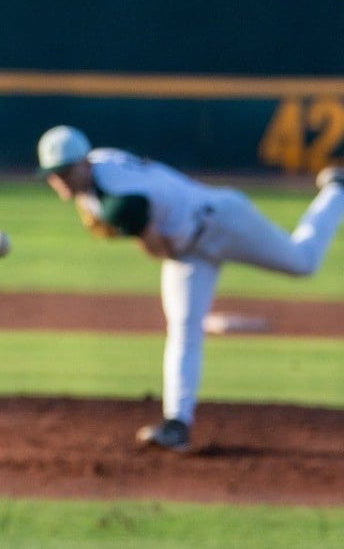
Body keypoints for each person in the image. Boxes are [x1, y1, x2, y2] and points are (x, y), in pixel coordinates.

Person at [36, 125, 344, 452]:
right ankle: (177, 423)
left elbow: (160, 249)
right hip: (190, 250)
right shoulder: (99, 166)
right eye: (54, 174)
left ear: (84, 163)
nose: (60, 180)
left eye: (65, 172)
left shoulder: (120, 202)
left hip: (222, 221)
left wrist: (129, 228)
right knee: (183, 327)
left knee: (302, 261)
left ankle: (337, 191)